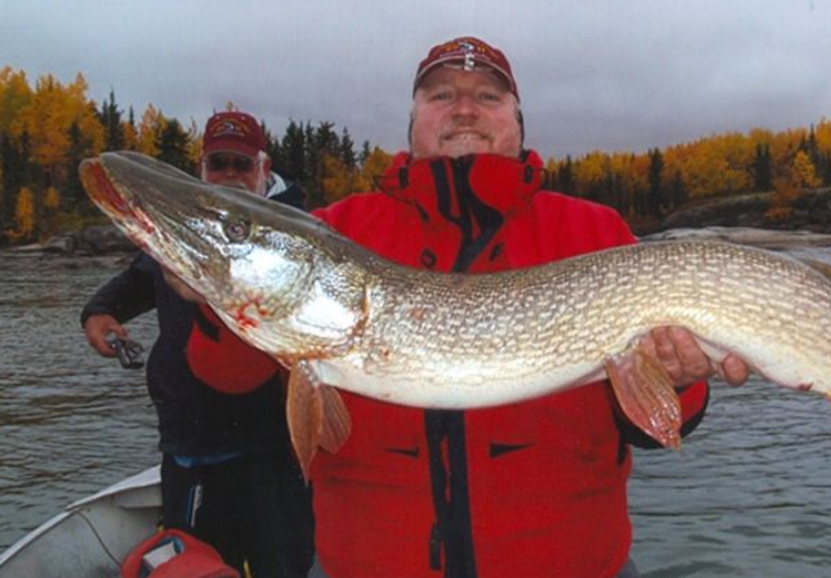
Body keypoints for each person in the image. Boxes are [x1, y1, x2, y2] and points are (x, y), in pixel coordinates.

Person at [185, 38, 750, 578]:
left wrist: (675, 382)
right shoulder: (338, 230)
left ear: (517, 121)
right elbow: (227, 385)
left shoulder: (593, 230)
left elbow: (655, 427)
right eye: (440, 95)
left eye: (487, 95)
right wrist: (219, 299)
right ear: (413, 122)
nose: (464, 110)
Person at [81, 111, 314, 578]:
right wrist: (99, 314)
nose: (229, 176)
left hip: (266, 448)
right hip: (187, 443)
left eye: (241, 166)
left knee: (280, 563)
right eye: (217, 164)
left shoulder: (292, 238)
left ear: (265, 170)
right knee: (193, 559)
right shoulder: (182, 235)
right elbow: (137, 282)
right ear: (201, 169)